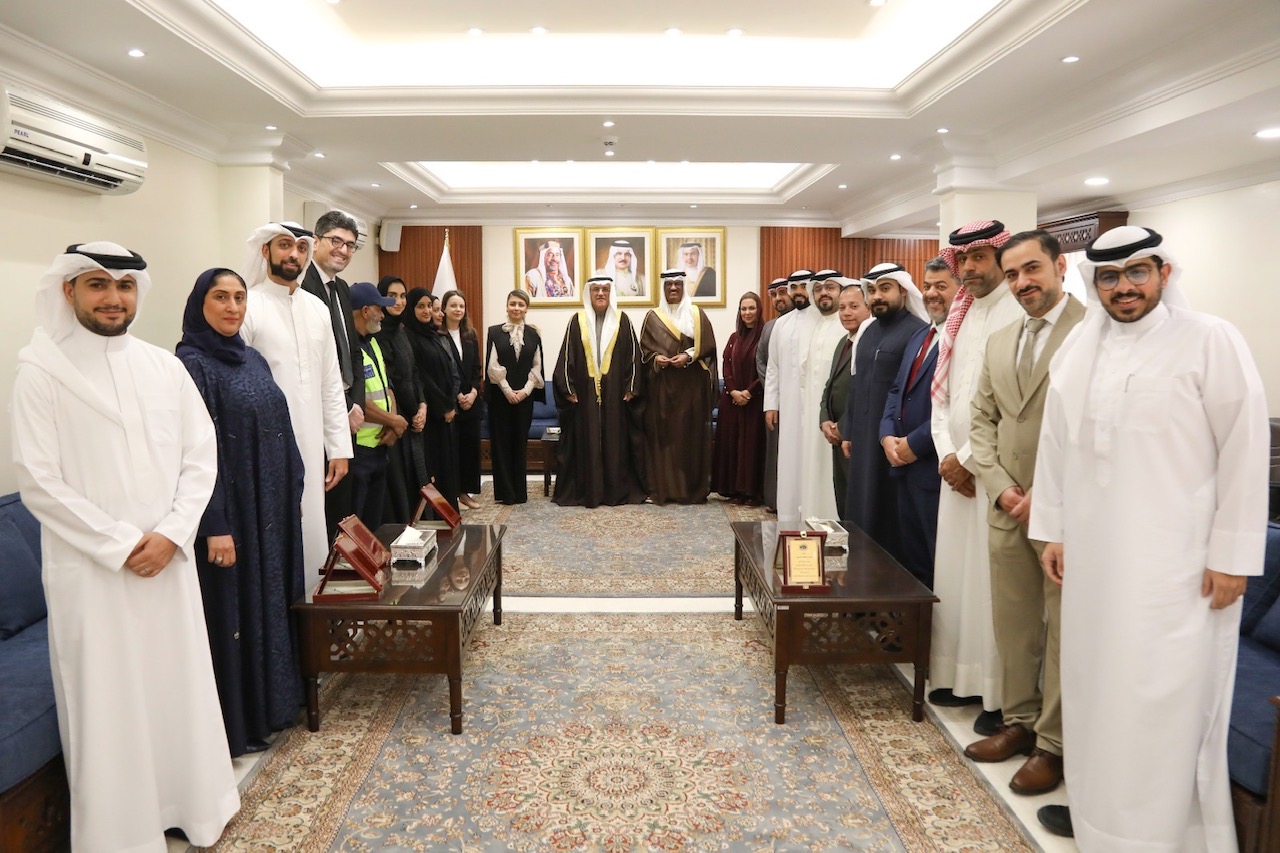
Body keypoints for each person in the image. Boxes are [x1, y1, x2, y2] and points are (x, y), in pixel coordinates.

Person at [1030, 226, 1268, 848]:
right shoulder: (1080, 348)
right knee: (1094, 688)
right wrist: (1052, 531)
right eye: (1109, 277)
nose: (1124, 287)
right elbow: (1057, 446)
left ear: (1164, 273)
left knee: (1161, 699)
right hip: (1094, 562)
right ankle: (1097, 818)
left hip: (1178, 568)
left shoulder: (1209, 339)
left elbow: (1245, 448)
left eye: (1137, 272)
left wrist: (1233, 557)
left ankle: (1157, 834)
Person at [12, 243, 239, 849]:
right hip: (93, 573)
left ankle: (194, 806)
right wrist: (121, 544)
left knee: (176, 686)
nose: (113, 298)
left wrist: (172, 533)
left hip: (169, 562)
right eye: (97, 285)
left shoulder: (163, 366)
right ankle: (123, 832)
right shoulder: (41, 370)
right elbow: (39, 480)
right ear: (69, 291)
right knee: (109, 701)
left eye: (125, 286)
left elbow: (201, 455)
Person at [964, 230, 1085, 798]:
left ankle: (1053, 744)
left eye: (1032, 269)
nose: (1021, 283)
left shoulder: (1093, 331)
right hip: (1007, 507)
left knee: (1063, 630)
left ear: (1060, 266)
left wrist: (1047, 491)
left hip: (1066, 514)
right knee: (1013, 624)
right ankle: (1018, 721)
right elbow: (981, 418)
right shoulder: (1000, 338)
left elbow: (1096, 428)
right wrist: (1001, 488)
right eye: (1012, 274)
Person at [177, 267, 307, 758]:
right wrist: (215, 525)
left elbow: (281, 423)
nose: (232, 307)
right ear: (200, 304)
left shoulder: (252, 358)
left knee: (273, 600)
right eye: (220, 297)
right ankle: (242, 721)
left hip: (272, 508)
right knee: (239, 610)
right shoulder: (191, 365)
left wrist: (293, 485)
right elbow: (194, 452)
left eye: (238, 297)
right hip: (234, 515)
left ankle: (277, 706)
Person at [927, 219, 1024, 735]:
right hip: (956, 474)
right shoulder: (961, 315)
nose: (968, 269)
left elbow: (1013, 404)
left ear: (1000, 258)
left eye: (979, 258)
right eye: (962, 259)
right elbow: (943, 395)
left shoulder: (1019, 311)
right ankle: (957, 676)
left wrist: (966, 458)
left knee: (991, 586)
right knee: (955, 574)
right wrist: (947, 453)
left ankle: (997, 694)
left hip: (995, 473)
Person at [240, 222, 351, 591]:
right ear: (265, 251)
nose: (294, 255)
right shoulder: (248, 305)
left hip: (312, 444)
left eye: (301, 248)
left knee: (313, 529)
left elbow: (330, 382)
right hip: (266, 446)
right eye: (285, 245)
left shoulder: (317, 307)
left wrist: (338, 447)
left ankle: (311, 607)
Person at [879, 256, 958, 587]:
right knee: (911, 557)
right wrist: (886, 435)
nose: (931, 293)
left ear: (961, 291)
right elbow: (896, 390)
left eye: (941, 286)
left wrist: (914, 443)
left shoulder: (960, 339)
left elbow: (957, 407)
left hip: (933, 467)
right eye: (927, 286)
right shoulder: (921, 336)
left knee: (937, 558)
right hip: (903, 466)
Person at [841, 263, 929, 559]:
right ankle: (860, 570)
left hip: (892, 442)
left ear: (903, 291)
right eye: (872, 290)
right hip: (862, 439)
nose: (877, 296)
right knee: (860, 510)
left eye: (885, 289)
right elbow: (856, 385)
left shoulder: (916, 332)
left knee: (887, 516)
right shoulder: (867, 331)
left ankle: (885, 577)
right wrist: (848, 431)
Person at [552, 276, 646, 507]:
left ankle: (614, 493)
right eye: (596, 289)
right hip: (584, 396)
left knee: (615, 443)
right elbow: (566, 355)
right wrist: (568, 389)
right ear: (589, 293)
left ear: (610, 293)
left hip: (616, 395)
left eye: (605, 289)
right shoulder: (577, 321)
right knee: (587, 442)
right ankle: (590, 492)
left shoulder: (623, 320)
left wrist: (631, 387)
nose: (601, 293)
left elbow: (634, 357)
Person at [301, 210, 364, 540]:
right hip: (317, 410)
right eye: (336, 241)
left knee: (342, 500)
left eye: (350, 245)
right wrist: (344, 405)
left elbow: (352, 351)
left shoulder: (342, 288)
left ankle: (339, 560)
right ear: (316, 241)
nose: (343, 250)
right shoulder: (302, 285)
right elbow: (312, 360)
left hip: (347, 411)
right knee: (322, 500)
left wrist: (355, 402)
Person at [766, 270, 847, 525]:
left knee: (817, 461)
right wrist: (771, 404)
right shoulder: (781, 324)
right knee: (790, 460)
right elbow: (773, 367)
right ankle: (790, 516)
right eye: (794, 287)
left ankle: (820, 517)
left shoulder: (824, 319)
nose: (799, 291)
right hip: (790, 406)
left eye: (804, 286)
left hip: (818, 408)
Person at [639, 269, 718, 504]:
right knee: (664, 440)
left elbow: (709, 347)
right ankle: (663, 489)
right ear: (663, 288)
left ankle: (689, 490)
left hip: (690, 388)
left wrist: (688, 355)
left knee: (688, 438)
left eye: (677, 284)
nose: (673, 288)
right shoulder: (652, 317)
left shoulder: (697, 314)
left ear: (684, 287)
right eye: (669, 285)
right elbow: (643, 352)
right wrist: (656, 359)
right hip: (662, 389)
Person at [347, 282, 407, 529]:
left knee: (374, 523)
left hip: (381, 446)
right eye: (379, 309)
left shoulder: (373, 342)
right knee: (356, 524)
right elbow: (356, 399)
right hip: (359, 450)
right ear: (365, 311)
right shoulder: (348, 348)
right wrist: (393, 421)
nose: (382, 315)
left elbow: (387, 386)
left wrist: (392, 423)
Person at [375, 275, 429, 522]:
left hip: (412, 415)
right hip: (395, 419)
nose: (399, 301)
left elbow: (414, 372)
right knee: (399, 485)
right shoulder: (378, 335)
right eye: (392, 296)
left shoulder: (400, 331)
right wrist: (409, 412)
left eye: (402, 296)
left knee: (417, 479)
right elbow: (391, 382)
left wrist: (422, 405)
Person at [403, 289, 462, 511]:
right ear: (411, 309)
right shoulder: (409, 336)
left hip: (445, 413)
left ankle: (449, 516)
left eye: (429, 306)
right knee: (433, 469)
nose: (427, 311)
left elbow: (449, 371)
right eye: (421, 306)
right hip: (430, 416)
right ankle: (437, 517)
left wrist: (451, 403)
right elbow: (423, 378)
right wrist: (444, 406)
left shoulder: (433, 335)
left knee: (447, 468)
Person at [486, 289, 546, 504]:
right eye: (513, 304)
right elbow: (492, 366)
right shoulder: (494, 332)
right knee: (501, 444)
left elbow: (537, 366)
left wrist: (525, 391)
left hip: (524, 399)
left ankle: (520, 493)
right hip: (501, 398)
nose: (516, 308)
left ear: (526, 308)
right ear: (507, 306)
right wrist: (508, 391)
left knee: (520, 443)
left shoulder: (534, 334)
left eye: (521, 304)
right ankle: (506, 494)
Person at [711, 291, 766, 505]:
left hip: (755, 401)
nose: (747, 312)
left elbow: (767, 369)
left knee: (752, 446)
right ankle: (735, 490)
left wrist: (749, 392)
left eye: (751, 308)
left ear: (759, 310)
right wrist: (733, 391)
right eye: (743, 309)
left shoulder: (765, 337)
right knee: (733, 444)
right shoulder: (734, 338)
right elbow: (726, 365)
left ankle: (752, 492)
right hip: (732, 402)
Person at [821, 282, 870, 517]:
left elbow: (864, 392)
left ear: (868, 308)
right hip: (836, 434)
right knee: (842, 498)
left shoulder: (869, 342)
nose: (846, 313)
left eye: (854, 306)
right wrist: (824, 419)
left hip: (855, 435)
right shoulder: (844, 342)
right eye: (842, 308)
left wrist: (842, 426)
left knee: (857, 503)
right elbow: (830, 385)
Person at [441, 289, 484, 508]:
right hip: (451, 403)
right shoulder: (438, 335)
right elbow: (444, 371)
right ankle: (452, 493)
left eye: (461, 306)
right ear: (444, 308)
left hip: (472, 402)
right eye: (453, 305)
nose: (457, 310)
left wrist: (473, 393)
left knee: (470, 449)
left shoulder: (470, 335)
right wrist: (458, 395)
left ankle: (465, 492)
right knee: (453, 450)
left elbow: (477, 368)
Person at [758, 277, 794, 513]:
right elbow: (762, 362)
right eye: (774, 295)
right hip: (776, 403)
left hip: (799, 402)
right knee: (775, 452)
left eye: (783, 293)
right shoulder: (770, 327)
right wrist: (775, 393)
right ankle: (774, 500)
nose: (778, 298)